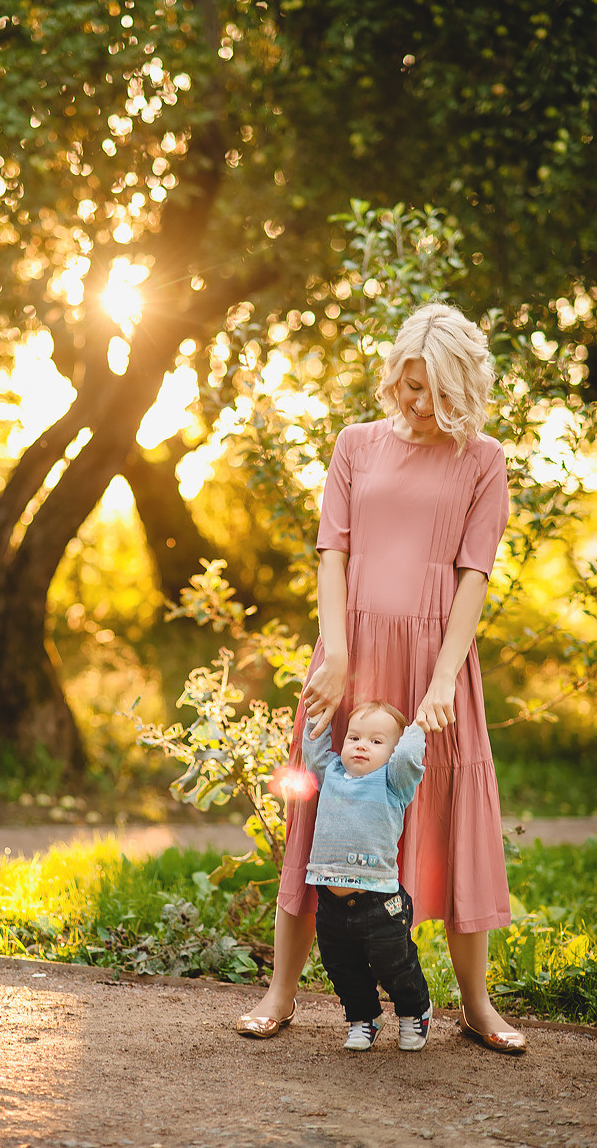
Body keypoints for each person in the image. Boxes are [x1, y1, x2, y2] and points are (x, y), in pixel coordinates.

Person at [236, 302, 527, 1054]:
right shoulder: (354, 444)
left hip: (436, 663)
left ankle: (475, 1005)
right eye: (410, 384)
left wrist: (444, 677)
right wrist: (334, 652)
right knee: (317, 813)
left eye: (436, 390)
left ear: (463, 388)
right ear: (394, 374)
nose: (419, 402)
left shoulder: (482, 459)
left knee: (449, 815)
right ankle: (280, 993)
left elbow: (473, 575)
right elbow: (332, 553)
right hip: (351, 655)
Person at [303, 699, 432, 1051]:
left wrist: (417, 727)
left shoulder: (393, 780)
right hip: (331, 904)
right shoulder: (331, 773)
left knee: (395, 964)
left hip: (380, 903)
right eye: (355, 737)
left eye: (376, 741)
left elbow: (407, 758)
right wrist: (318, 714)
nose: (362, 745)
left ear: (393, 752)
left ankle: (415, 1010)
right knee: (341, 966)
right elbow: (314, 752)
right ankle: (364, 1018)